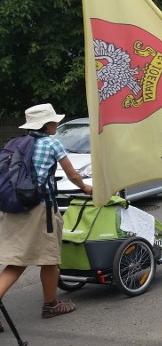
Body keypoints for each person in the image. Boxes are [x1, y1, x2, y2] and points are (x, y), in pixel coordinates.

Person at [0, 103, 93, 329]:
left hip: (14, 208)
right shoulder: (52, 143)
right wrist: (86, 189)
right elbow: (71, 174)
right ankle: (50, 304)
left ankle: (49, 302)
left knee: (17, 259)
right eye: (54, 121)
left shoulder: (16, 143)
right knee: (48, 259)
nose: (57, 124)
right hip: (39, 210)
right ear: (47, 124)